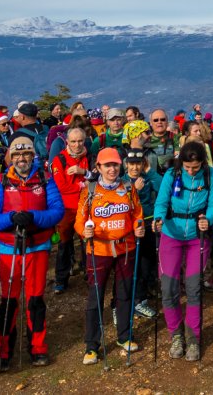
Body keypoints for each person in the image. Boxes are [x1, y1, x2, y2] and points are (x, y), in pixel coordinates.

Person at [0, 133, 65, 369]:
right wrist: (10, 218)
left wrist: (34, 217)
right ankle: (3, 350)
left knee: (35, 300)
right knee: (8, 302)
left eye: (26, 153)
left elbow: (57, 210)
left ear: (33, 155)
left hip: (38, 246)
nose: (21, 158)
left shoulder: (45, 179)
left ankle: (38, 348)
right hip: (10, 248)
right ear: (10, 156)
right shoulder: (2, 181)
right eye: (17, 154)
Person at [153, 141, 213, 361]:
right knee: (169, 287)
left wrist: (208, 219)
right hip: (171, 235)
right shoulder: (172, 174)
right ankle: (176, 335)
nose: (191, 171)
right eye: (187, 167)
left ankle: (193, 339)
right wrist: (158, 219)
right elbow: (161, 202)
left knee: (194, 289)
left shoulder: (212, 175)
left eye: (195, 167)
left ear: (203, 162)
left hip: (196, 237)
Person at [76, 148, 145, 364]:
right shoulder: (90, 191)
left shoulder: (128, 188)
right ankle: (92, 346)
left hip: (125, 248)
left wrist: (139, 226)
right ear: (98, 168)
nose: (112, 169)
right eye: (107, 165)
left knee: (124, 294)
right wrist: (83, 231)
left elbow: (137, 214)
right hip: (98, 249)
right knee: (96, 296)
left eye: (115, 164)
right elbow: (80, 219)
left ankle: (124, 336)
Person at [50, 126, 91, 294]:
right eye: (73, 141)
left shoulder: (89, 157)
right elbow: (61, 186)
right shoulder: (60, 159)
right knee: (64, 244)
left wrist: (84, 173)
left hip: (85, 207)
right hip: (66, 208)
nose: (77, 144)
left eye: (80, 141)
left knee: (87, 243)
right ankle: (61, 279)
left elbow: (97, 177)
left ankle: (90, 275)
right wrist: (82, 184)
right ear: (67, 142)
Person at [123, 149, 161, 319]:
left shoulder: (147, 178)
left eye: (138, 163)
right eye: (132, 164)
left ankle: (141, 299)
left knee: (147, 264)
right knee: (133, 266)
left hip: (148, 223)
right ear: (126, 165)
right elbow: (123, 204)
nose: (135, 167)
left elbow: (161, 185)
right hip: (131, 227)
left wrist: (149, 171)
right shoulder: (122, 181)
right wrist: (134, 189)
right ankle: (129, 302)